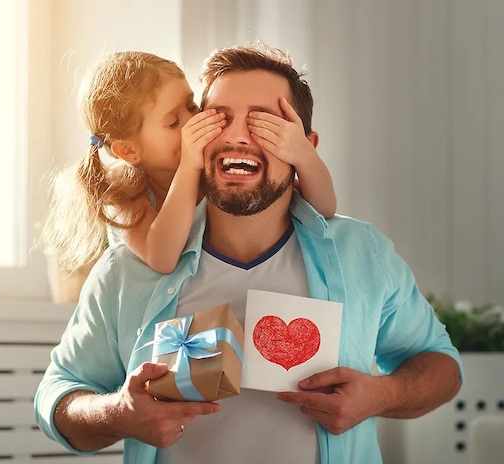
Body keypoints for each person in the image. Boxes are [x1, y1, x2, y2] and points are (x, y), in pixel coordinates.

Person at [34, 42, 462, 464]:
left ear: (304, 145)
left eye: (266, 123)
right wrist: (118, 413)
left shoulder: (361, 255)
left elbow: (443, 368)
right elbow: (58, 395)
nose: (238, 136)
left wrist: (379, 395)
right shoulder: (129, 267)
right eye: (217, 118)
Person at [42, 51, 336, 275]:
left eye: (192, 106)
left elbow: (323, 207)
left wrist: (302, 153)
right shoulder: (129, 193)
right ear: (128, 151)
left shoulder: (217, 170)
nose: (193, 122)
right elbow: (163, 259)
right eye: (173, 122)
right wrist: (189, 168)